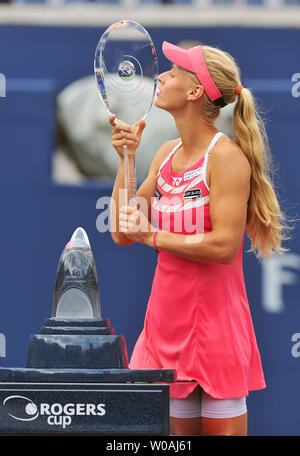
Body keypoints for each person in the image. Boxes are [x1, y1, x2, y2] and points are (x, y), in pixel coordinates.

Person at [109, 40, 290, 436]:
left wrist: (155, 236)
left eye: (171, 72)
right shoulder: (164, 152)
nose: (159, 76)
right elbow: (123, 233)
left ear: (194, 92)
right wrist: (126, 159)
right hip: (163, 332)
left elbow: (224, 247)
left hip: (216, 337)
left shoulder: (226, 158)